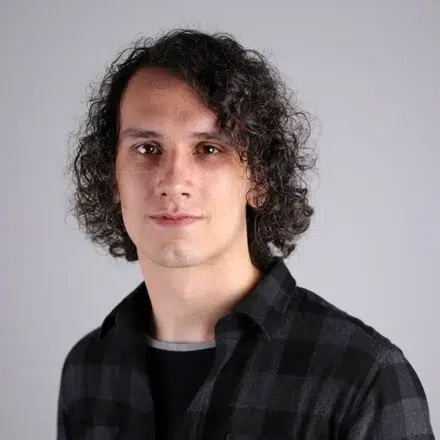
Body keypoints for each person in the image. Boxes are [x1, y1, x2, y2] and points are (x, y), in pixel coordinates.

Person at [58, 29, 435, 439]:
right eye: (147, 148)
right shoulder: (88, 368)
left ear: (259, 179)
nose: (173, 182)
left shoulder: (363, 378)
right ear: (112, 176)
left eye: (209, 149)